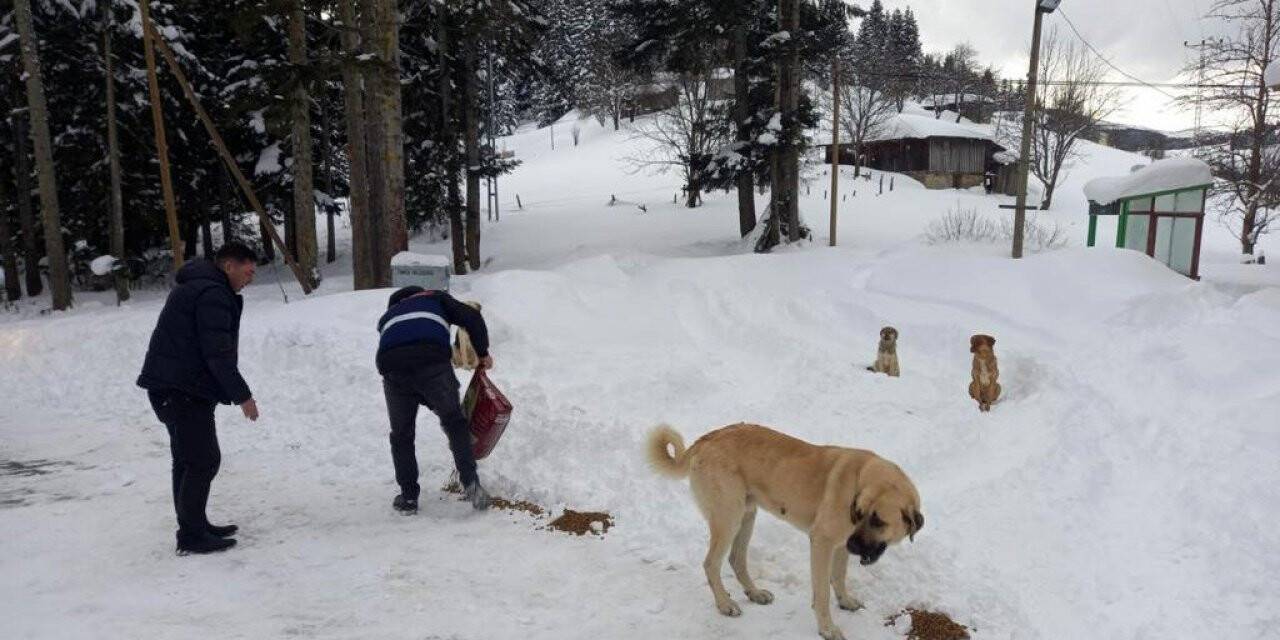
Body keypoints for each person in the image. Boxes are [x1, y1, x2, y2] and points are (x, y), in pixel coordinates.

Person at [137, 242, 260, 555]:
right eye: (247, 271)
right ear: (229, 266)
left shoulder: (198, 286)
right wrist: (243, 395)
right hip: (182, 389)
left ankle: (193, 525)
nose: (250, 278)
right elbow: (217, 353)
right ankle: (191, 535)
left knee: (187, 458)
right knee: (204, 460)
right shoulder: (213, 293)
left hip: (172, 387)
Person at [377, 285, 493, 514]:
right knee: (454, 421)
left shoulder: (388, 317)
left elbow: (401, 347)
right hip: (432, 362)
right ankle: (472, 485)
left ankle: (408, 498)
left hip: (392, 368)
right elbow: (471, 316)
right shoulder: (435, 298)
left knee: (401, 434)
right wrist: (483, 353)